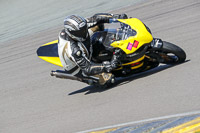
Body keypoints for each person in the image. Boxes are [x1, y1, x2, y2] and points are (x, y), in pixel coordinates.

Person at [58, 13, 128, 85]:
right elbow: (87, 69)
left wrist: (115, 17)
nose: (84, 32)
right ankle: (88, 79)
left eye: (84, 29)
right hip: (80, 68)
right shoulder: (74, 50)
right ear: (71, 33)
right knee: (108, 79)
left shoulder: (80, 27)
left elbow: (97, 18)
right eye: (80, 32)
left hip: (82, 45)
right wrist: (108, 65)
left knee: (97, 25)